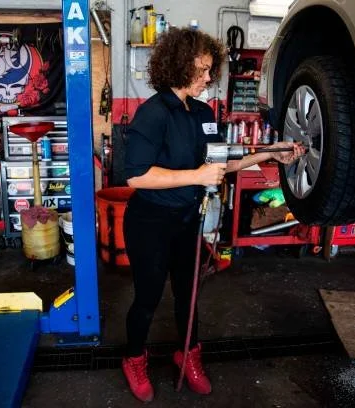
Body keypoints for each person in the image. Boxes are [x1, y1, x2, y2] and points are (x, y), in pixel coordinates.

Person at [121, 27, 305, 402]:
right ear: (179, 66)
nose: (209, 78)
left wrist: (270, 152)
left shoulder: (203, 112)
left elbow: (220, 163)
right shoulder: (152, 114)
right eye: (203, 70)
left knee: (188, 295)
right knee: (148, 296)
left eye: (210, 69)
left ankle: (187, 353)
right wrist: (196, 176)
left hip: (186, 221)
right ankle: (134, 358)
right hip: (150, 223)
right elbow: (136, 175)